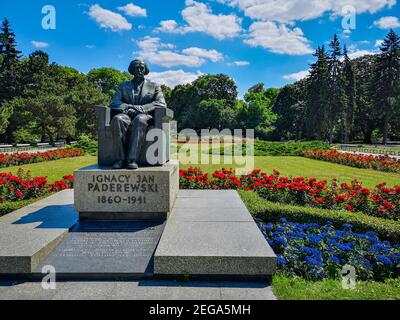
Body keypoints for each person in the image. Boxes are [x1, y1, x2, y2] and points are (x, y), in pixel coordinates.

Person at [109, 60, 166, 169]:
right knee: (117, 119)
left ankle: (132, 159)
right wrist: (129, 108)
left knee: (140, 119)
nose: (139, 70)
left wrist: (142, 108)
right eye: (136, 67)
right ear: (131, 70)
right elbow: (115, 102)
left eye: (141, 68)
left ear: (145, 70)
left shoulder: (154, 86)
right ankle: (120, 159)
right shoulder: (123, 86)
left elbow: (161, 103)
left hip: (145, 115)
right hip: (127, 114)